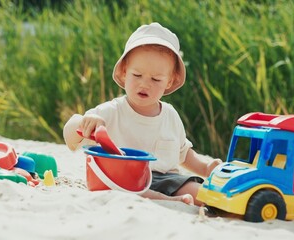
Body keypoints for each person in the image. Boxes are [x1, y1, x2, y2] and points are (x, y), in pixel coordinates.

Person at [63, 22, 221, 206]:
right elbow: (70, 137)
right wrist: (83, 122)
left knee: (203, 194)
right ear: (124, 73)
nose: (144, 84)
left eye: (156, 79)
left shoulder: (170, 116)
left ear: (170, 81)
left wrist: (205, 168)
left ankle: (170, 196)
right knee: (128, 190)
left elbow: (183, 154)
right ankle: (166, 200)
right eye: (137, 75)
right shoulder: (111, 112)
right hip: (124, 178)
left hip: (166, 179)